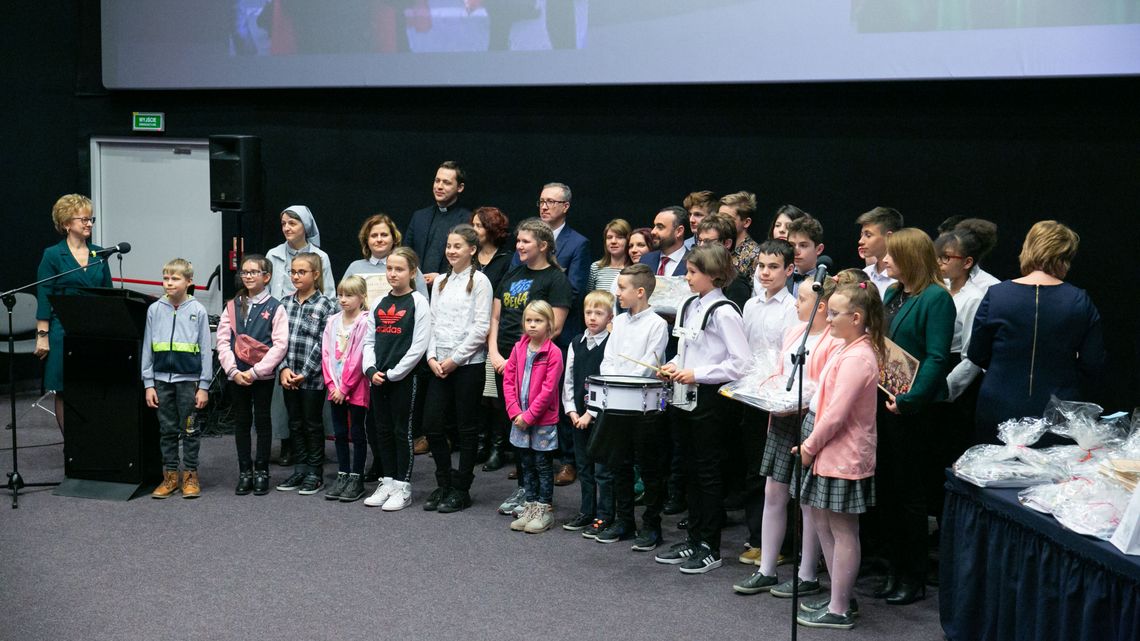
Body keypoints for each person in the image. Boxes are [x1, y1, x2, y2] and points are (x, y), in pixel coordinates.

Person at [735, 275, 843, 596]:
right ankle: (766, 568)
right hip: (782, 419)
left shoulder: (834, 341)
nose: (796, 303)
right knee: (774, 492)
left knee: (807, 502)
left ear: (821, 307)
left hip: (813, 423)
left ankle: (807, 573)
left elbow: (828, 388)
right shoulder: (794, 332)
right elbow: (782, 373)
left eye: (803, 300)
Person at [793, 282, 886, 630]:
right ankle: (839, 596)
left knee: (843, 530)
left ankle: (840, 608)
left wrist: (808, 446)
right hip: (829, 450)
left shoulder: (859, 358)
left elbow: (836, 414)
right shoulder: (846, 348)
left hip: (843, 455)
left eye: (834, 313)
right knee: (822, 522)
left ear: (857, 317)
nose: (827, 319)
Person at [653, 244, 749, 574]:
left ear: (715, 275)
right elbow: (686, 349)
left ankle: (711, 545)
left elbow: (740, 364)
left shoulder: (725, 312)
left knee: (708, 472)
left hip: (710, 400)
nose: (687, 277)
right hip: (684, 394)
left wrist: (697, 374)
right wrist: (672, 365)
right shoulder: (689, 304)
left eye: (693, 272)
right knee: (690, 468)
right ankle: (694, 537)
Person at [968, 220, 1105, 445]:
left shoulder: (996, 295)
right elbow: (1092, 363)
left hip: (998, 403)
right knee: (1052, 477)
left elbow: (976, 354)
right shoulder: (1079, 300)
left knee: (995, 475)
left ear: (1028, 248)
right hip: (1059, 407)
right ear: (1065, 256)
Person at [876, 228, 956, 605]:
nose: (884, 260)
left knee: (910, 495)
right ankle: (894, 568)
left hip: (915, 410)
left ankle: (913, 575)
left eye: (891, 255)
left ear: (910, 258)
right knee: (889, 490)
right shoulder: (893, 293)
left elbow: (938, 358)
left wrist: (911, 399)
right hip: (886, 402)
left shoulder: (937, 299)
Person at [490, 218, 572, 515]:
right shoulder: (512, 274)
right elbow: (496, 319)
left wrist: (517, 359)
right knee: (517, 431)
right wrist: (495, 355)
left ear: (543, 245)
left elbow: (556, 327)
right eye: (519, 240)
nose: (519, 245)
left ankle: (540, 499)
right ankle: (525, 491)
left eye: (525, 241)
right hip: (507, 363)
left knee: (537, 435)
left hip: (534, 364)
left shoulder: (556, 280)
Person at [343, 213, 429, 479]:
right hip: (368, 360)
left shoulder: (414, 290)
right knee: (374, 423)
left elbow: (420, 328)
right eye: (374, 235)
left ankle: (399, 480)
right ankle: (382, 470)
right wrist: (369, 367)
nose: (379, 239)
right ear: (366, 240)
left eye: (384, 234)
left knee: (399, 427)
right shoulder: (357, 269)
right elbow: (346, 306)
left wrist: (396, 372)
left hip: (401, 365)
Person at [593, 266, 670, 549]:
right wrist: (614, 381)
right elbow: (608, 359)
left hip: (644, 407)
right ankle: (625, 520)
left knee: (649, 466)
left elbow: (649, 366)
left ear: (640, 292)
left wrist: (626, 382)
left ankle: (652, 524)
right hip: (616, 402)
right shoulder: (620, 322)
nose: (617, 292)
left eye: (622, 288)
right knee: (619, 463)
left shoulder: (657, 324)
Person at [733, 239, 797, 568]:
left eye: (773, 267)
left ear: (789, 270)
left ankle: (779, 543)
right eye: (761, 266)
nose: (765, 272)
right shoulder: (752, 305)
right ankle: (756, 536)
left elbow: (786, 359)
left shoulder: (791, 308)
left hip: (776, 400)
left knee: (775, 473)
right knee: (753, 468)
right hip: (751, 395)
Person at [423, 225, 493, 514]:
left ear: (472, 250)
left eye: (458, 246)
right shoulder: (440, 281)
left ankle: (461, 487)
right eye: (449, 246)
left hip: (467, 366)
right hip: (439, 364)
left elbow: (481, 328)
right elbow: (432, 323)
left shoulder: (481, 282)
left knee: (466, 428)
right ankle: (444, 481)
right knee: (432, 425)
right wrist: (431, 358)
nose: (451, 251)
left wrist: (456, 359)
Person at [35, 194, 113, 430]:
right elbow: (44, 294)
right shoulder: (52, 255)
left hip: (94, 330)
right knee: (64, 388)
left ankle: (89, 446)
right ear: (67, 223)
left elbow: (107, 294)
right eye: (84, 219)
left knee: (91, 387)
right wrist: (43, 335)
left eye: (91, 219)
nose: (89, 223)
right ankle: (71, 448)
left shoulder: (99, 255)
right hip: (62, 329)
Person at [362, 247, 432, 511]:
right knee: (382, 431)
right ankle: (388, 481)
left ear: (412, 272)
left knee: (402, 432)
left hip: (403, 378)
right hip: (378, 378)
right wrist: (370, 369)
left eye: (399, 269)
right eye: (389, 268)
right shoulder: (380, 302)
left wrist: (395, 373)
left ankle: (403, 486)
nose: (393, 273)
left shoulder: (418, 302)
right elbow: (369, 341)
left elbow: (419, 345)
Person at [267, 205, 335, 468]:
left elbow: (329, 293)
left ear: (305, 226)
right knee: (283, 398)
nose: (287, 228)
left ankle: (312, 454)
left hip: (311, 327)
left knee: (310, 406)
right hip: (282, 327)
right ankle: (287, 444)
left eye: (292, 223)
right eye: (283, 223)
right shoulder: (273, 254)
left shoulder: (321, 257)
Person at [217, 255, 288, 496]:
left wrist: (257, 372)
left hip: (262, 377)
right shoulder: (232, 305)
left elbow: (280, 345)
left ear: (266, 277)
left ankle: (261, 470)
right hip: (236, 375)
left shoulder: (276, 307)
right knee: (242, 421)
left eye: (253, 272)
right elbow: (223, 341)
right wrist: (233, 371)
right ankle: (244, 470)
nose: (247, 276)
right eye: (244, 272)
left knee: (263, 421)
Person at [141, 258, 212, 499]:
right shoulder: (154, 309)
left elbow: (205, 349)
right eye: (166, 278)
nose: (169, 283)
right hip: (162, 381)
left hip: (188, 381)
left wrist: (203, 386)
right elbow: (147, 348)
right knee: (167, 429)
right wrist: (148, 383)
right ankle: (170, 475)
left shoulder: (198, 310)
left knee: (190, 428)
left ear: (189, 282)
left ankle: (190, 474)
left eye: (175, 279)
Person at [275, 253, 337, 496]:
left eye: (302, 272)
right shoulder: (284, 303)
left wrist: (305, 372)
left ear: (316, 275)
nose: (296, 276)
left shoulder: (326, 305)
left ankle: (314, 472)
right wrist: (284, 369)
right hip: (288, 374)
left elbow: (324, 343)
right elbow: (278, 341)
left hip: (312, 378)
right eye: (293, 272)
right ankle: (299, 469)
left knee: (312, 423)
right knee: (295, 422)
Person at [505, 301, 565, 533]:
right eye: (528, 320)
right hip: (519, 419)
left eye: (538, 321)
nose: (532, 325)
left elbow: (548, 390)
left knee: (542, 465)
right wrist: (514, 411)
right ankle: (529, 507)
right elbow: (508, 381)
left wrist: (529, 415)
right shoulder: (518, 348)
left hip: (541, 421)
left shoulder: (554, 353)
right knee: (526, 464)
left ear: (549, 324)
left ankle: (544, 509)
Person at [560, 290, 616, 536]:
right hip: (578, 414)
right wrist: (571, 410)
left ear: (610, 316)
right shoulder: (575, 342)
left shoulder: (611, 343)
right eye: (588, 312)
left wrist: (591, 413)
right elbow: (569, 380)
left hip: (601, 415)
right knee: (583, 466)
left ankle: (605, 515)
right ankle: (586, 510)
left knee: (602, 468)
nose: (593, 318)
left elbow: (607, 382)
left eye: (599, 313)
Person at [935, 229, 987, 461]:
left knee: (949, 442)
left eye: (946, 257)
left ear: (967, 262)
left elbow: (971, 357)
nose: (940, 262)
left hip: (954, 373)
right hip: (935, 365)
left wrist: (947, 390)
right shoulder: (938, 288)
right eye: (937, 256)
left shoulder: (974, 298)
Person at [320, 275, 373, 503]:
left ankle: (356, 476)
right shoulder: (332, 321)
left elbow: (359, 356)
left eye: (349, 295)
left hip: (355, 388)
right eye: (340, 295)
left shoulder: (365, 321)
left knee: (357, 433)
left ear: (361, 297)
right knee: (339, 433)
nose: (343, 299)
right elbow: (326, 354)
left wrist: (345, 387)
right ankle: (343, 473)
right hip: (335, 390)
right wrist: (332, 385)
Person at [471, 206, 513, 472]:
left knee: (494, 394)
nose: (473, 230)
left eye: (478, 225)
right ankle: (480, 442)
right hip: (469, 332)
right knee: (476, 392)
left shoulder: (507, 260)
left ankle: (498, 447)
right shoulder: (470, 257)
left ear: (491, 230)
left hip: (495, 332)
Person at [405, 161, 471, 289]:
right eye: (437, 181)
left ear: (460, 187)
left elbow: (470, 261)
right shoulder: (419, 217)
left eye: (446, 182)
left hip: (452, 290)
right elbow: (406, 253)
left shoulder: (468, 220)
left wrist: (442, 277)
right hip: (416, 290)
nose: (439, 186)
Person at [695, 214, 753, 308]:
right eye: (699, 240)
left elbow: (734, 320)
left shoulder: (735, 281)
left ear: (727, 243)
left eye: (708, 242)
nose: (701, 246)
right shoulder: (697, 272)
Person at [855, 206, 904, 298]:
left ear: (889, 237)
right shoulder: (864, 275)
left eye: (868, 235)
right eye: (861, 235)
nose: (860, 241)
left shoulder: (903, 277)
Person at [717, 191, 762, 283]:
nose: (720, 222)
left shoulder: (755, 255)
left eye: (728, 218)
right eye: (719, 217)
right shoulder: (716, 246)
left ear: (746, 222)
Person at [640, 206, 689, 278]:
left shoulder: (695, 262)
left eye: (660, 227)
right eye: (654, 226)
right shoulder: (645, 260)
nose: (653, 231)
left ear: (679, 231)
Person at [588, 218, 631, 293]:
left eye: (619, 237)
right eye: (609, 237)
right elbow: (589, 298)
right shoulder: (596, 267)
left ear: (628, 240)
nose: (613, 241)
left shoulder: (633, 269)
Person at [786, 216, 825, 297]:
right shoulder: (781, 277)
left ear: (819, 249)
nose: (796, 252)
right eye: (792, 245)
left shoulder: (827, 283)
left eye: (803, 245)